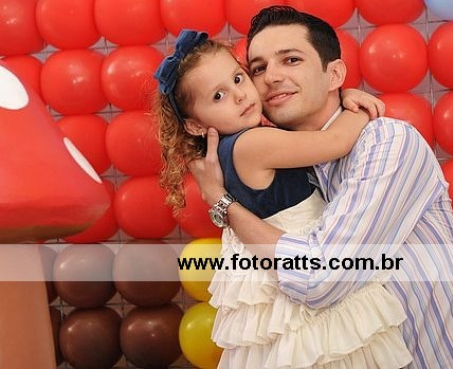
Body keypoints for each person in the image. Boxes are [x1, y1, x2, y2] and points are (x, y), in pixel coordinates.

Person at [189, 6, 453, 368]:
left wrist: (222, 203)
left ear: (334, 73)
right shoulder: (276, 158)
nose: (271, 77)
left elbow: (320, 277)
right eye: (257, 68)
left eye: (291, 60)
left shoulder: (387, 143)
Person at [153, 30, 414, 368]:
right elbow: (334, 141)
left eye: (238, 78)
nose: (239, 95)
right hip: (305, 281)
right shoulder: (253, 144)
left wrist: (338, 92)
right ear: (195, 125)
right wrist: (358, 107)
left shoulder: (237, 148)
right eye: (218, 96)